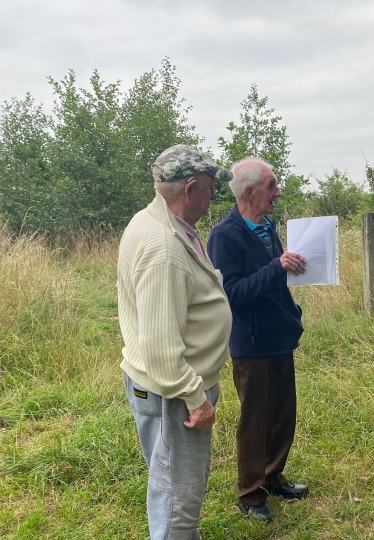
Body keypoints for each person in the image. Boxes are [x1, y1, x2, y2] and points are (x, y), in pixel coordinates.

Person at [118, 144, 233, 540]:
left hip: (169, 391)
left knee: (173, 486)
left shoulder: (157, 224)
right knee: (177, 495)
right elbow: (161, 349)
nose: (214, 197)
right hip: (176, 396)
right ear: (190, 187)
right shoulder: (164, 246)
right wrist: (196, 398)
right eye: (211, 188)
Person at [207, 157, 308, 523]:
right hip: (251, 344)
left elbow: (276, 277)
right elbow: (231, 293)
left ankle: (273, 476)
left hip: (281, 335)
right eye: (272, 185)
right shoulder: (224, 236)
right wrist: (276, 267)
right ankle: (250, 494)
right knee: (256, 420)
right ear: (249, 191)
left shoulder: (268, 227)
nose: (278, 192)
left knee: (283, 414)